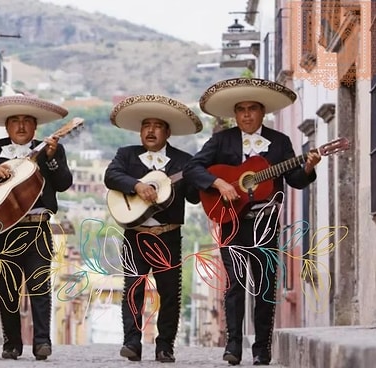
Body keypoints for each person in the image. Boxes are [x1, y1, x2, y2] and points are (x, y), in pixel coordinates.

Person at [183, 78, 321, 366]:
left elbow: (294, 180)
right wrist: (219, 183)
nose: (246, 114)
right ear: (235, 114)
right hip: (231, 221)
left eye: (252, 109)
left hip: (266, 224)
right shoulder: (222, 140)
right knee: (235, 284)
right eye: (241, 109)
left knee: (265, 286)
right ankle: (233, 347)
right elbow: (192, 168)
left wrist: (307, 167)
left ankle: (262, 350)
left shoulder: (280, 142)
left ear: (262, 112)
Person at [0, 95, 72, 360]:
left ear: (35, 126)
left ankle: (42, 342)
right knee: (6, 286)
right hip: (3, 228)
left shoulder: (51, 149)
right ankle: (11, 343)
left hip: (37, 227)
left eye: (27, 121)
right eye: (15, 121)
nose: (21, 126)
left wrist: (52, 158)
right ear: (7, 126)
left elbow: (63, 183)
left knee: (39, 285)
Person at [104, 94, 202, 363]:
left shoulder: (184, 161)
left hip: (168, 235)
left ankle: (164, 346)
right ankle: (132, 343)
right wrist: (136, 186)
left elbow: (193, 196)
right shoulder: (126, 155)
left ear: (167, 132)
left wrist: (201, 177)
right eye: (146, 125)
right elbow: (110, 176)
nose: (150, 130)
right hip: (135, 234)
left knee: (169, 293)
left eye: (157, 126)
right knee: (133, 288)